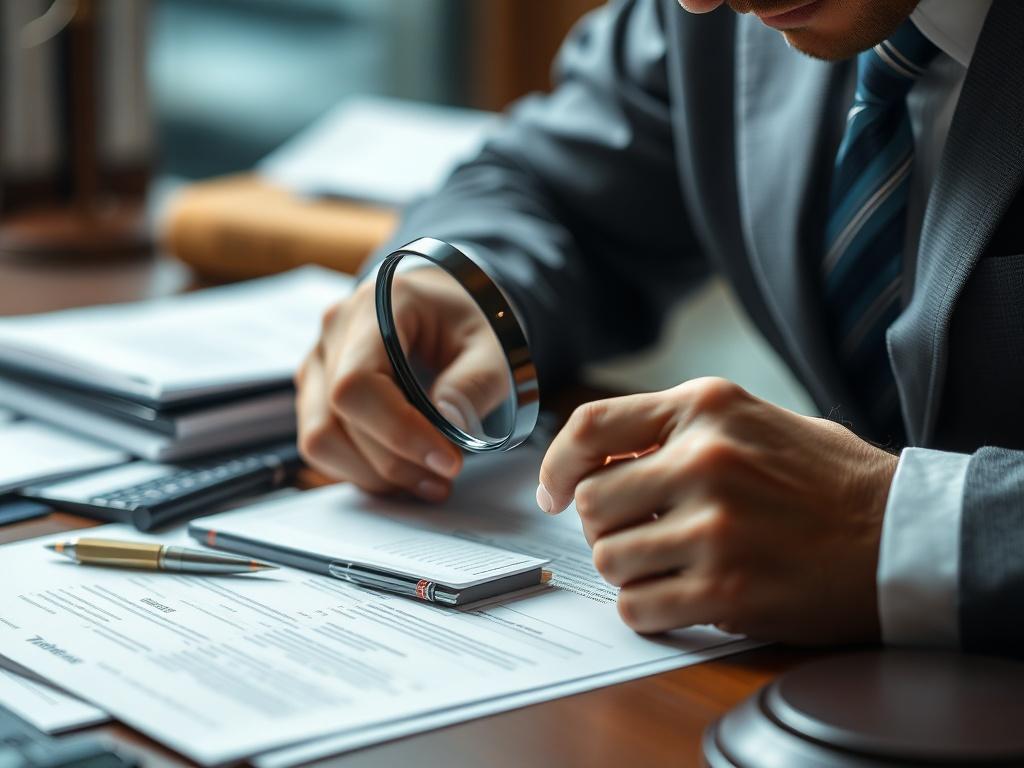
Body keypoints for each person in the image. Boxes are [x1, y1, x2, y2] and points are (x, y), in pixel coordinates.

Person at [296, 0, 1024, 656]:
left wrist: (912, 529)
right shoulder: (709, 22)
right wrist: (460, 286)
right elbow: (542, 185)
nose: (700, 1)